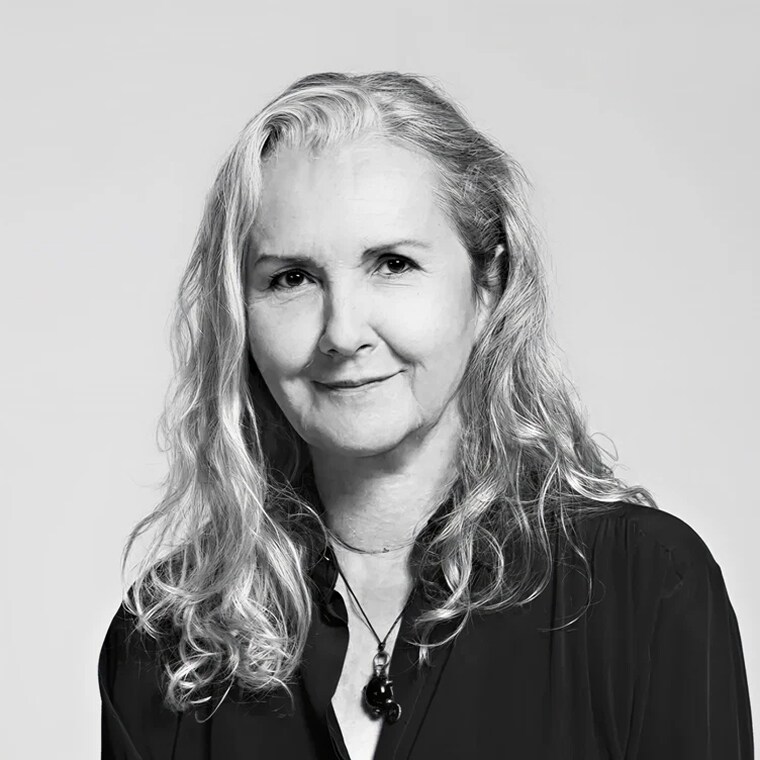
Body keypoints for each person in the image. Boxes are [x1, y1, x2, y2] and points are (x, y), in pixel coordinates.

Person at [98, 71, 754, 760]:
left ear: (488, 285)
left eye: (392, 264)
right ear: (241, 314)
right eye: (292, 278)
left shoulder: (643, 587)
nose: (342, 332)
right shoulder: (164, 642)